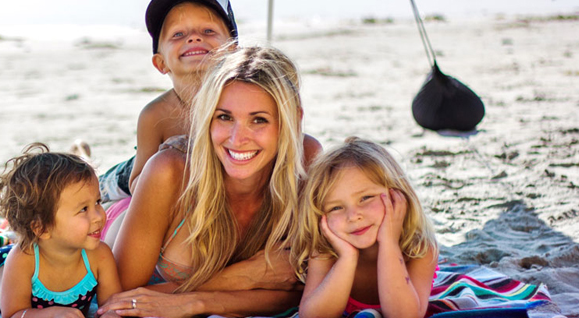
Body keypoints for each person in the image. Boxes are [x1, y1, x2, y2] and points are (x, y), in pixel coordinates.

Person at [97, 45, 311, 317]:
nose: (237, 139)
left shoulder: (307, 163)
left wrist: (197, 303)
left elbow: (300, 292)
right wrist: (245, 276)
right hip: (117, 217)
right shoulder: (169, 171)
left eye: (259, 120)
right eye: (224, 117)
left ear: (293, 119)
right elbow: (118, 302)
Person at [97, 0, 321, 243]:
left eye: (208, 31)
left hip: (227, 165)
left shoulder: (254, 101)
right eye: (178, 34)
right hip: (138, 172)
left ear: (234, 51)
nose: (194, 38)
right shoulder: (156, 114)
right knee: (98, 189)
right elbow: (137, 182)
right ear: (160, 63)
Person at [0, 143, 122, 318]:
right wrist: (51, 314)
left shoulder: (101, 256)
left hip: (40, 247)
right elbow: (13, 314)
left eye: (98, 202)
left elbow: (112, 306)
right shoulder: (23, 260)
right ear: (41, 228)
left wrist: (111, 314)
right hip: (5, 275)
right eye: (83, 209)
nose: (99, 216)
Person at [290, 137, 438, 317]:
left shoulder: (419, 248)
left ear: (397, 195)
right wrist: (347, 258)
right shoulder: (324, 252)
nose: (353, 216)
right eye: (336, 208)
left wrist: (389, 243)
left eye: (366, 198)